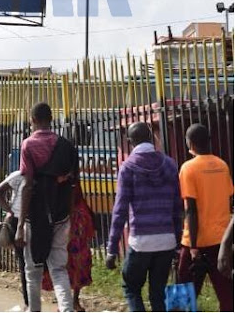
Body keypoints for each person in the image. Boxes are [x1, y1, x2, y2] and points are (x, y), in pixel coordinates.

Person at [105, 122, 182, 313]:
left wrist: (112, 249)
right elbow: (177, 206)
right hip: (166, 240)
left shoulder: (128, 168)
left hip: (141, 241)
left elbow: (120, 210)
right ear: (151, 137)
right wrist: (177, 240)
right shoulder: (170, 164)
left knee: (131, 288)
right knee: (158, 294)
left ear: (130, 142)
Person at [15, 102, 79, 313]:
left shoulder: (28, 146)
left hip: (35, 216)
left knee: (32, 270)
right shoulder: (67, 146)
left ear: (32, 120)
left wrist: (20, 224)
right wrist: (69, 217)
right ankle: (67, 310)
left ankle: (34, 311)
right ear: (51, 119)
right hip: (61, 215)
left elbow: (27, 186)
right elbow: (72, 186)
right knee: (59, 269)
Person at [177, 123, 234, 312]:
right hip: (221, 241)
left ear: (190, 143)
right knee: (228, 296)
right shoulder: (222, 165)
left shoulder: (188, 168)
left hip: (197, 242)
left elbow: (191, 210)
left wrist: (193, 246)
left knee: (183, 295)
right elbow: (228, 199)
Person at [44, 181, 95, 312]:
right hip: (71, 221)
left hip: (73, 221)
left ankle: (71, 301)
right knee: (71, 264)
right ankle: (70, 301)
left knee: (71, 264)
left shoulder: (63, 178)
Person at [0, 170, 28, 310]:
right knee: (25, 263)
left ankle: (29, 301)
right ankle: (28, 301)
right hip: (18, 221)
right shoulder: (19, 175)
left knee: (27, 264)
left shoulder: (39, 174)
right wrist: (9, 210)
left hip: (28, 220)